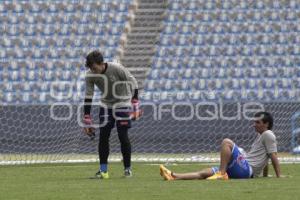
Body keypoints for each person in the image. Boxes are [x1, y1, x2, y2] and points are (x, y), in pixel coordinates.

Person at [160, 112, 281, 180]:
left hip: (246, 170)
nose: (254, 124)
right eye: (254, 122)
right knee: (204, 173)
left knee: (227, 142)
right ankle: (173, 176)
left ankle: (222, 173)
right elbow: (267, 158)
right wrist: (265, 176)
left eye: (257, 122)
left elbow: (273, 156)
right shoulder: (261, 136)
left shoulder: (268, 134)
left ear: (266, 124)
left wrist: (278, 176)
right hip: (242, 169)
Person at [83, 50, 141, 179]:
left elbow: (133, 82)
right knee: (103, 136)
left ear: (101, 63)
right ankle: (103, 171)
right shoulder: (90, 75)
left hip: (123, 103)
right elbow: (88, 96)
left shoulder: (116, 68)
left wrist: (135, 104)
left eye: (94, 67)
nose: (92, 70)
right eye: (90, 68)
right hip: (106, 105)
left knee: (122, 135)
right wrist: (87, 118)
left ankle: (127, 169)